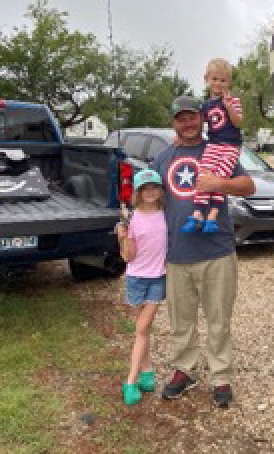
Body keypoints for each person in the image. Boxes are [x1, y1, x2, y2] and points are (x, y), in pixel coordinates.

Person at [153, 95, 255, 408]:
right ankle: (185, 371)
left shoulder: (219, 150)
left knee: (218, 320)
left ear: (202, 117)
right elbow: (150, 200)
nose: (187, 123)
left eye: (192, 116)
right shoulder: (163, 157)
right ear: (174, 122)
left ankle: (221, 377)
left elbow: (248, 185)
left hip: (217, 251)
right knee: (180, 321)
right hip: (177, 254)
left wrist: (218, 184)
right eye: (180, 118)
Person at [116, 169, 167, 406]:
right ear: (137, 192)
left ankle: (130, 380)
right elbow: (128, 256)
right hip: (136, 278)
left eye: (154, 187)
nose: (150, 192)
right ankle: (147, 371)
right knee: (143, 331)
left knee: (142, 329)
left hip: (158, 278)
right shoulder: (131, 218)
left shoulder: (166, 215)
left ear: (160, 190)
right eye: (145, 188)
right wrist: (123, 237)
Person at [181, 58, 243, 233]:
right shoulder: (205, 105)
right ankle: (197, 213)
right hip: (213, 145)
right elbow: (199, 126)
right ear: (207, 79)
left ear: (228, 82)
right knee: (204, 176)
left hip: (231, 147)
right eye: (215, 79)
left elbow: (238, 123)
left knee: (219, 180)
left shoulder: (233, 101)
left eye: (223, 80)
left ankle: (212, 216)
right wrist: (182, 139)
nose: (218, 83)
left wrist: (229, 107)